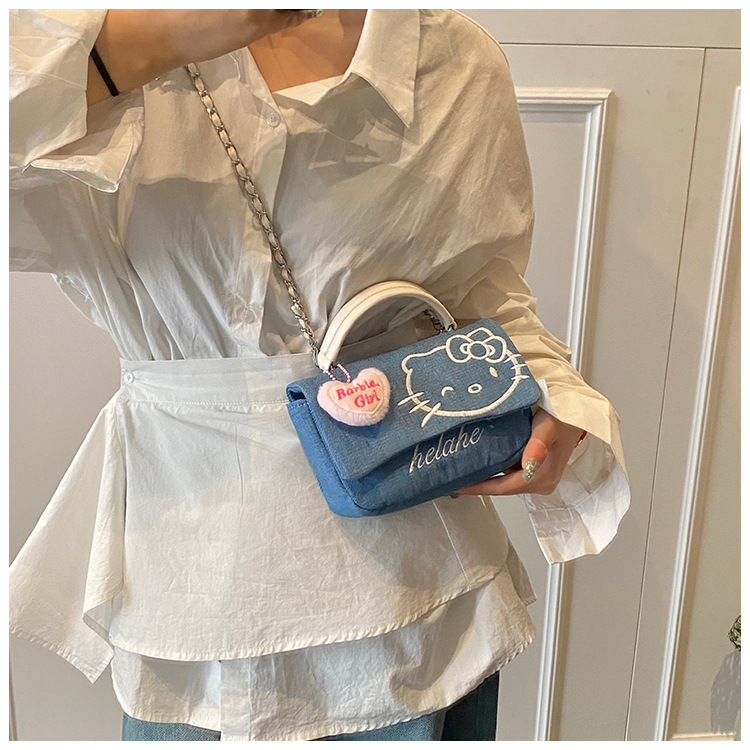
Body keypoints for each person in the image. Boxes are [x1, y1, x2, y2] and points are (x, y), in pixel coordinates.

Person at [9, 9, 632, 742]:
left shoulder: (453, 58)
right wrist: (141, 44)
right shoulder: (62, 39)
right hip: (186, 580)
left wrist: (553, 394)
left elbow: (480, 293)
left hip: (419, 595)